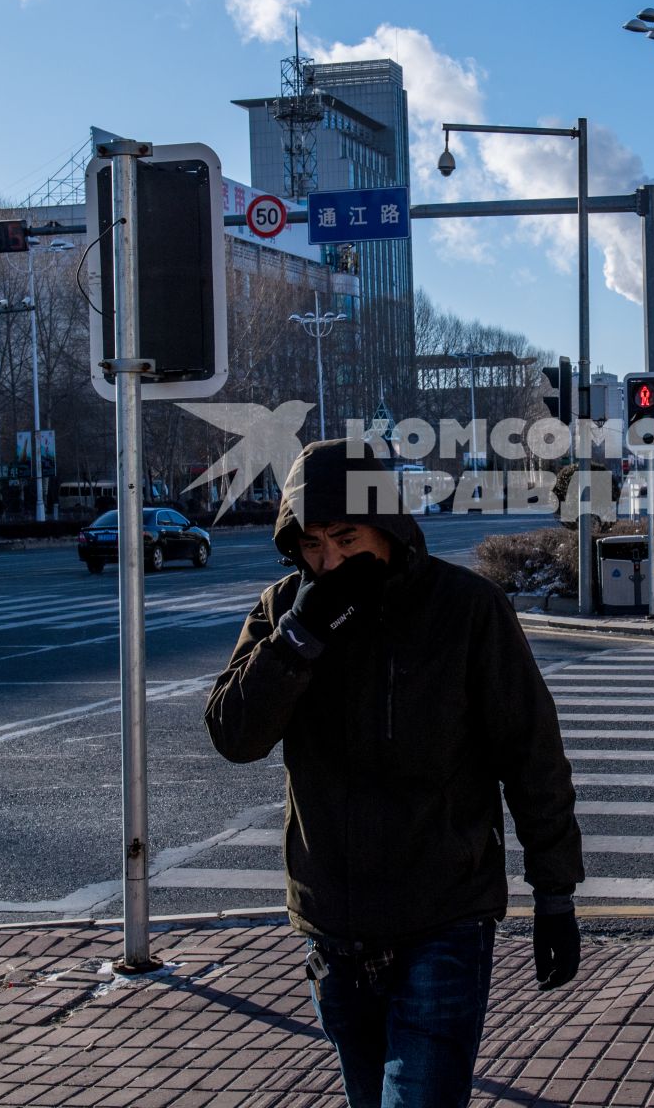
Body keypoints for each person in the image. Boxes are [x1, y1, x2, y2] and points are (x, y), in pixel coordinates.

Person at [205, 437, 584, 1107]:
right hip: (334, 926)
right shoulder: (284, 610)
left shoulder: (464, 609)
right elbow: (234, 735)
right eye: (313, 544)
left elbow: (531, 754)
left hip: (443, 917)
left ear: (386, 524)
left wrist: (554, 893)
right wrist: (296, 641)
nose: (331, 560)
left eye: (347, 538)